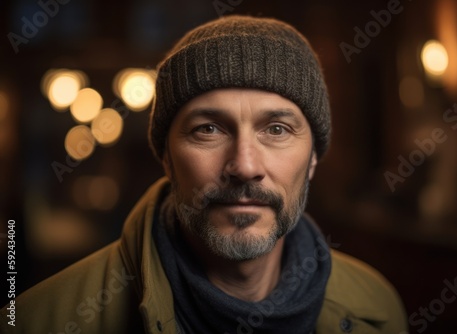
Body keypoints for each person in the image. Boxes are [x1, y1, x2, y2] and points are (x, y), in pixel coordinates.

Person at [1, 15, 408, 334]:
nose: (245, 166)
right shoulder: (38, 322)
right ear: (166, 157)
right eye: (208, 129)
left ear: (314, 158)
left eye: (277, 130)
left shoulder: (376, 309)